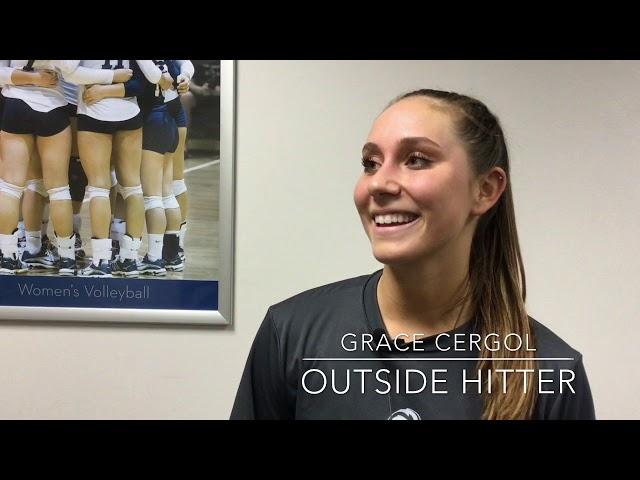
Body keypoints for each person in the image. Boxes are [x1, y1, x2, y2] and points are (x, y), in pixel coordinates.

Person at [230, 89, 596, 420]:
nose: (378, 183)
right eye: (370, 163)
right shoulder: (292, 334)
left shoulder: (549, 372)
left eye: (416, 159)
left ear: (485, 189)